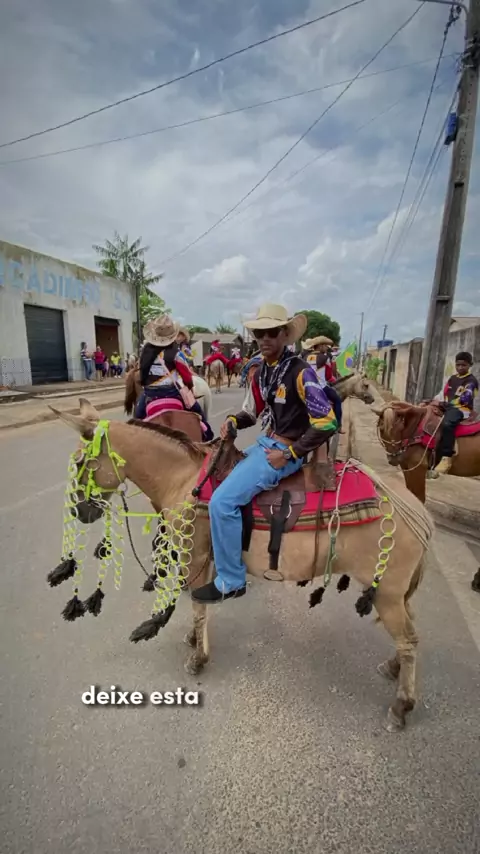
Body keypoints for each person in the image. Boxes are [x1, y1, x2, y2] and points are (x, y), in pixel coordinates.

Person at [192, 303, 338, 605]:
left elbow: (327, 422)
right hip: (267, 442)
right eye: (260, 334)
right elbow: (252, 412)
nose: (265, 339)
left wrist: (290, 453)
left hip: (283, 451)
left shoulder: (301, 372)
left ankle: (231, 580)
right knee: (215, 476)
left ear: (285, 334)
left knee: (222, 502)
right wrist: (233, 422)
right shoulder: (263, 372)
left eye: (272, 333)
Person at [135, 314, 214, 441]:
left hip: (150, 395)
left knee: (136, 419)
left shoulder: (145, 353)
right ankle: (208, 437)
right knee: (199, 413)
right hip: (173, 394)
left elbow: (141, 375)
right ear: (172, 336)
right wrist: (190, 389)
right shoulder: (177, 354)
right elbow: (187, 378)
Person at [434, 351, 479, 474]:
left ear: (470, 365)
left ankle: (446, 457)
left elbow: (465, 399)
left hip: (461, 409)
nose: (460, 367)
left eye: (463, 365)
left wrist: (446, 404)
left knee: (447, 424)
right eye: (458, 365)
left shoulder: (471, 381)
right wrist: (434, 401)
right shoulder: (452, 378)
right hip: (447, 406)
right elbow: (443, 393)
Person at [302, 336, 343, 433]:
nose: (326, 348)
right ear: (320, 346)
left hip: (306, 387)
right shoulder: (325, 358)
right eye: (325, 345)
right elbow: (328, 376)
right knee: (337, 400)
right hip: (321, 387)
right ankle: (338, 426)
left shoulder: (305, 357)